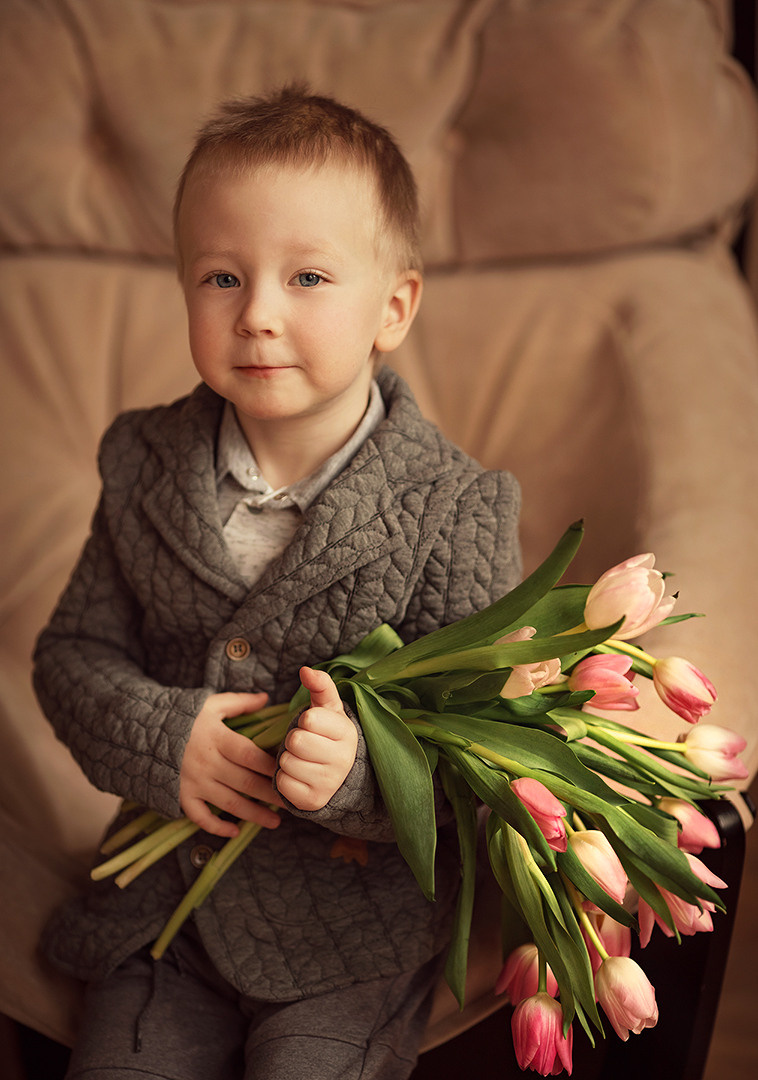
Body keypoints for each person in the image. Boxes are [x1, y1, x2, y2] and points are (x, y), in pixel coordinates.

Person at [32, 85, 521, 1080]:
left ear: (393, 308)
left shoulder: (456, 509)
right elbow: (70, 656)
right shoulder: (145, 463)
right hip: (164, 913)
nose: (255, 314)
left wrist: (360, 774)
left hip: (351, 932)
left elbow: (474, 764)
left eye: (306, 277)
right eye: (220, 277)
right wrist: (163, 735)